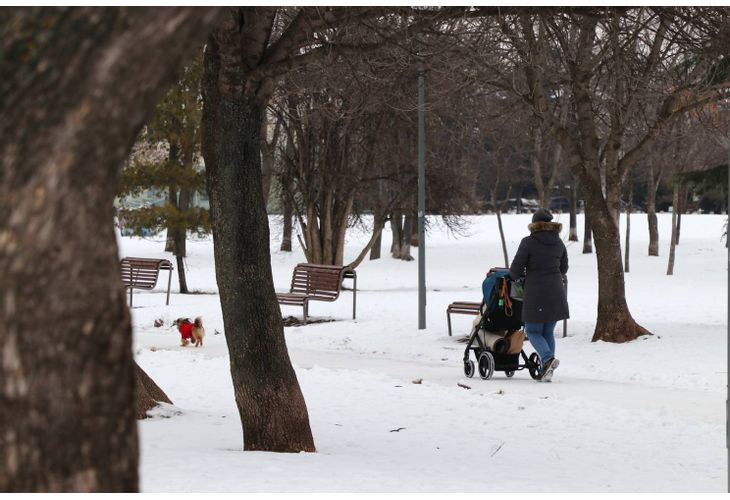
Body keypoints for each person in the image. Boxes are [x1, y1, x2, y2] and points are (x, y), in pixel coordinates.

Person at [509, 208, 569, 382]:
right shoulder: (559, 243)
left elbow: (515, 270)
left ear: (534, 225)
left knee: (533, 330)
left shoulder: (528, 242)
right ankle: (546, 369)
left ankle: (548, 358)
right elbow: (563, 268)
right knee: (547, 330)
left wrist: (517, 276)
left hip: (536, 292)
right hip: (557, 291)